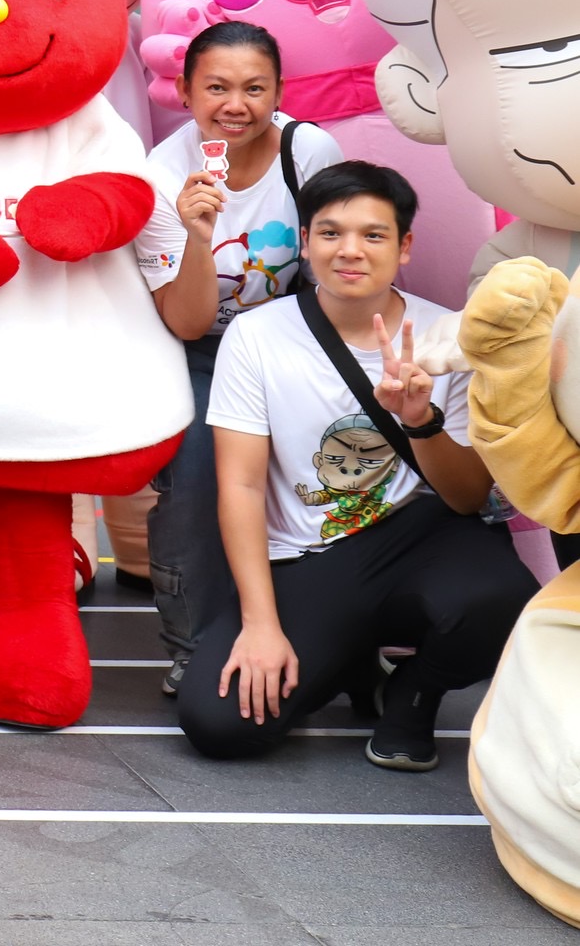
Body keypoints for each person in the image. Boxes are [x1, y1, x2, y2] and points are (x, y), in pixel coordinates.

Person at [179, 162, 535, 770]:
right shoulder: (256, 336)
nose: (350, 250)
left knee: (503, 601)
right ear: (305, 240)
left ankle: (412, 696)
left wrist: (419, 419)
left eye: (373, 235)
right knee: (220, 725)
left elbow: (466, 498)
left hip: (417, 537)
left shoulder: (444, 337)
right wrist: (260, 624)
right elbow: (240, 484)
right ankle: (348, 659)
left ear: (404, 246)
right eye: (330, 232)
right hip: (307, 556)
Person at [133, 23, 345, 690]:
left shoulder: (309, 152)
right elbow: (187, 319)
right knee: (197, 474)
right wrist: (198, 236)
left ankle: (342, 635)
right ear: (184, 91)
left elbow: (339, 267)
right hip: (200, 350)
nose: (236, 105)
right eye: (216, 88)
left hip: (293, 340)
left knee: (330, 465)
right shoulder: (160, 177)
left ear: (279, 92)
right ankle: (192, 646)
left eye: (255, 89)